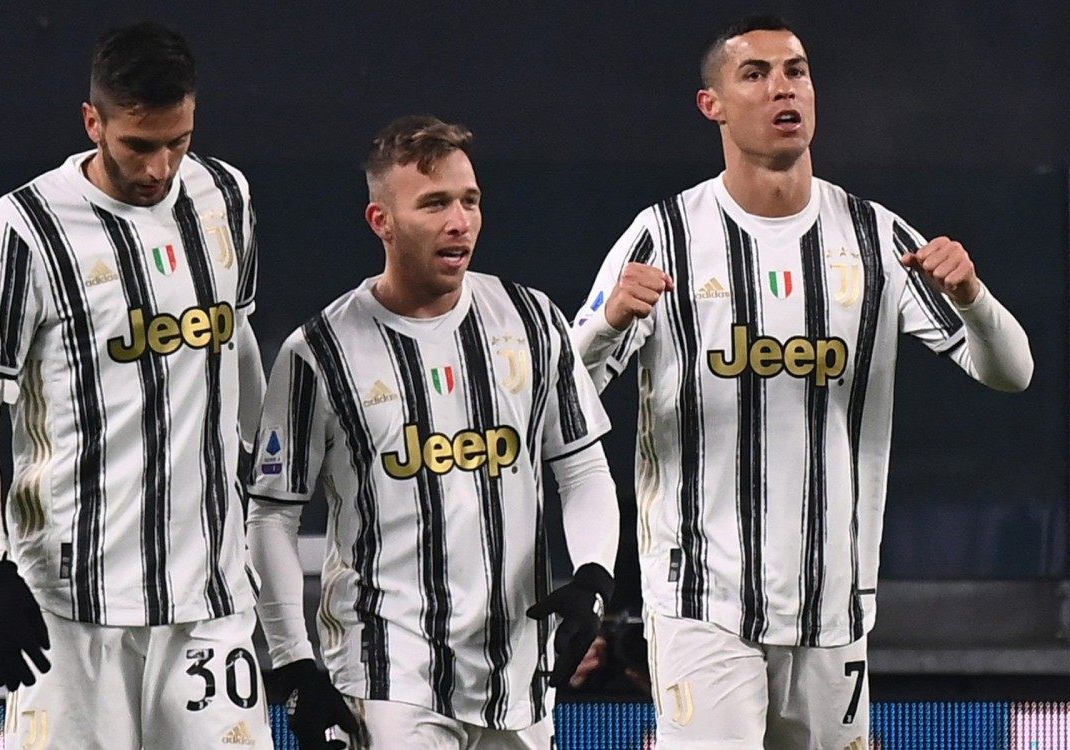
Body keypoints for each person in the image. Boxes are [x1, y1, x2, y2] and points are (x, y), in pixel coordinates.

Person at [570, 15, 1033, 749]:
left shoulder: (875, 236)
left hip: (834, 603)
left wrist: (974, 298)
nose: (782, 87)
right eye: (754, 74)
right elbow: (562, 405)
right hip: (701, 597)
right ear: (712, 105)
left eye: (797, 70)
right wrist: (604, 327)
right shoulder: (666, 235)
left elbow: (1012, 372)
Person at [0, 22, 272, 749]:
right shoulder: (24, 227)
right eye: (138, 144)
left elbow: (236, 333)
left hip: (209, 596)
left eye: (177, 141)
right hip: (67, 600)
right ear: (93, 121)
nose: (160, 167)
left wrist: (267, 458)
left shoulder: (227, 197)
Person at [245, 115, 620, 749]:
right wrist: (293, 660)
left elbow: (581, 470)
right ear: (381, 222)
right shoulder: (319, 351)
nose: (460, 221)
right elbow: (272, 517)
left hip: (519, 679)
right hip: (385, 674)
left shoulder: (531, 321)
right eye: (435, 203)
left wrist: (592, 579)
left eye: (470, 200)